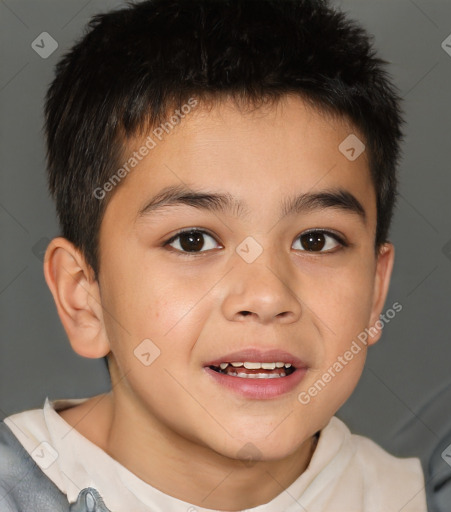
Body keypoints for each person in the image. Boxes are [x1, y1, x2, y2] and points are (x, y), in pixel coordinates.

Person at [0, 0, 427, 510]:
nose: (267, 296)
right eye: (192, 241)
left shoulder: (419, 496)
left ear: (377, 292)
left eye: (316, 240)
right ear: (83, 297)